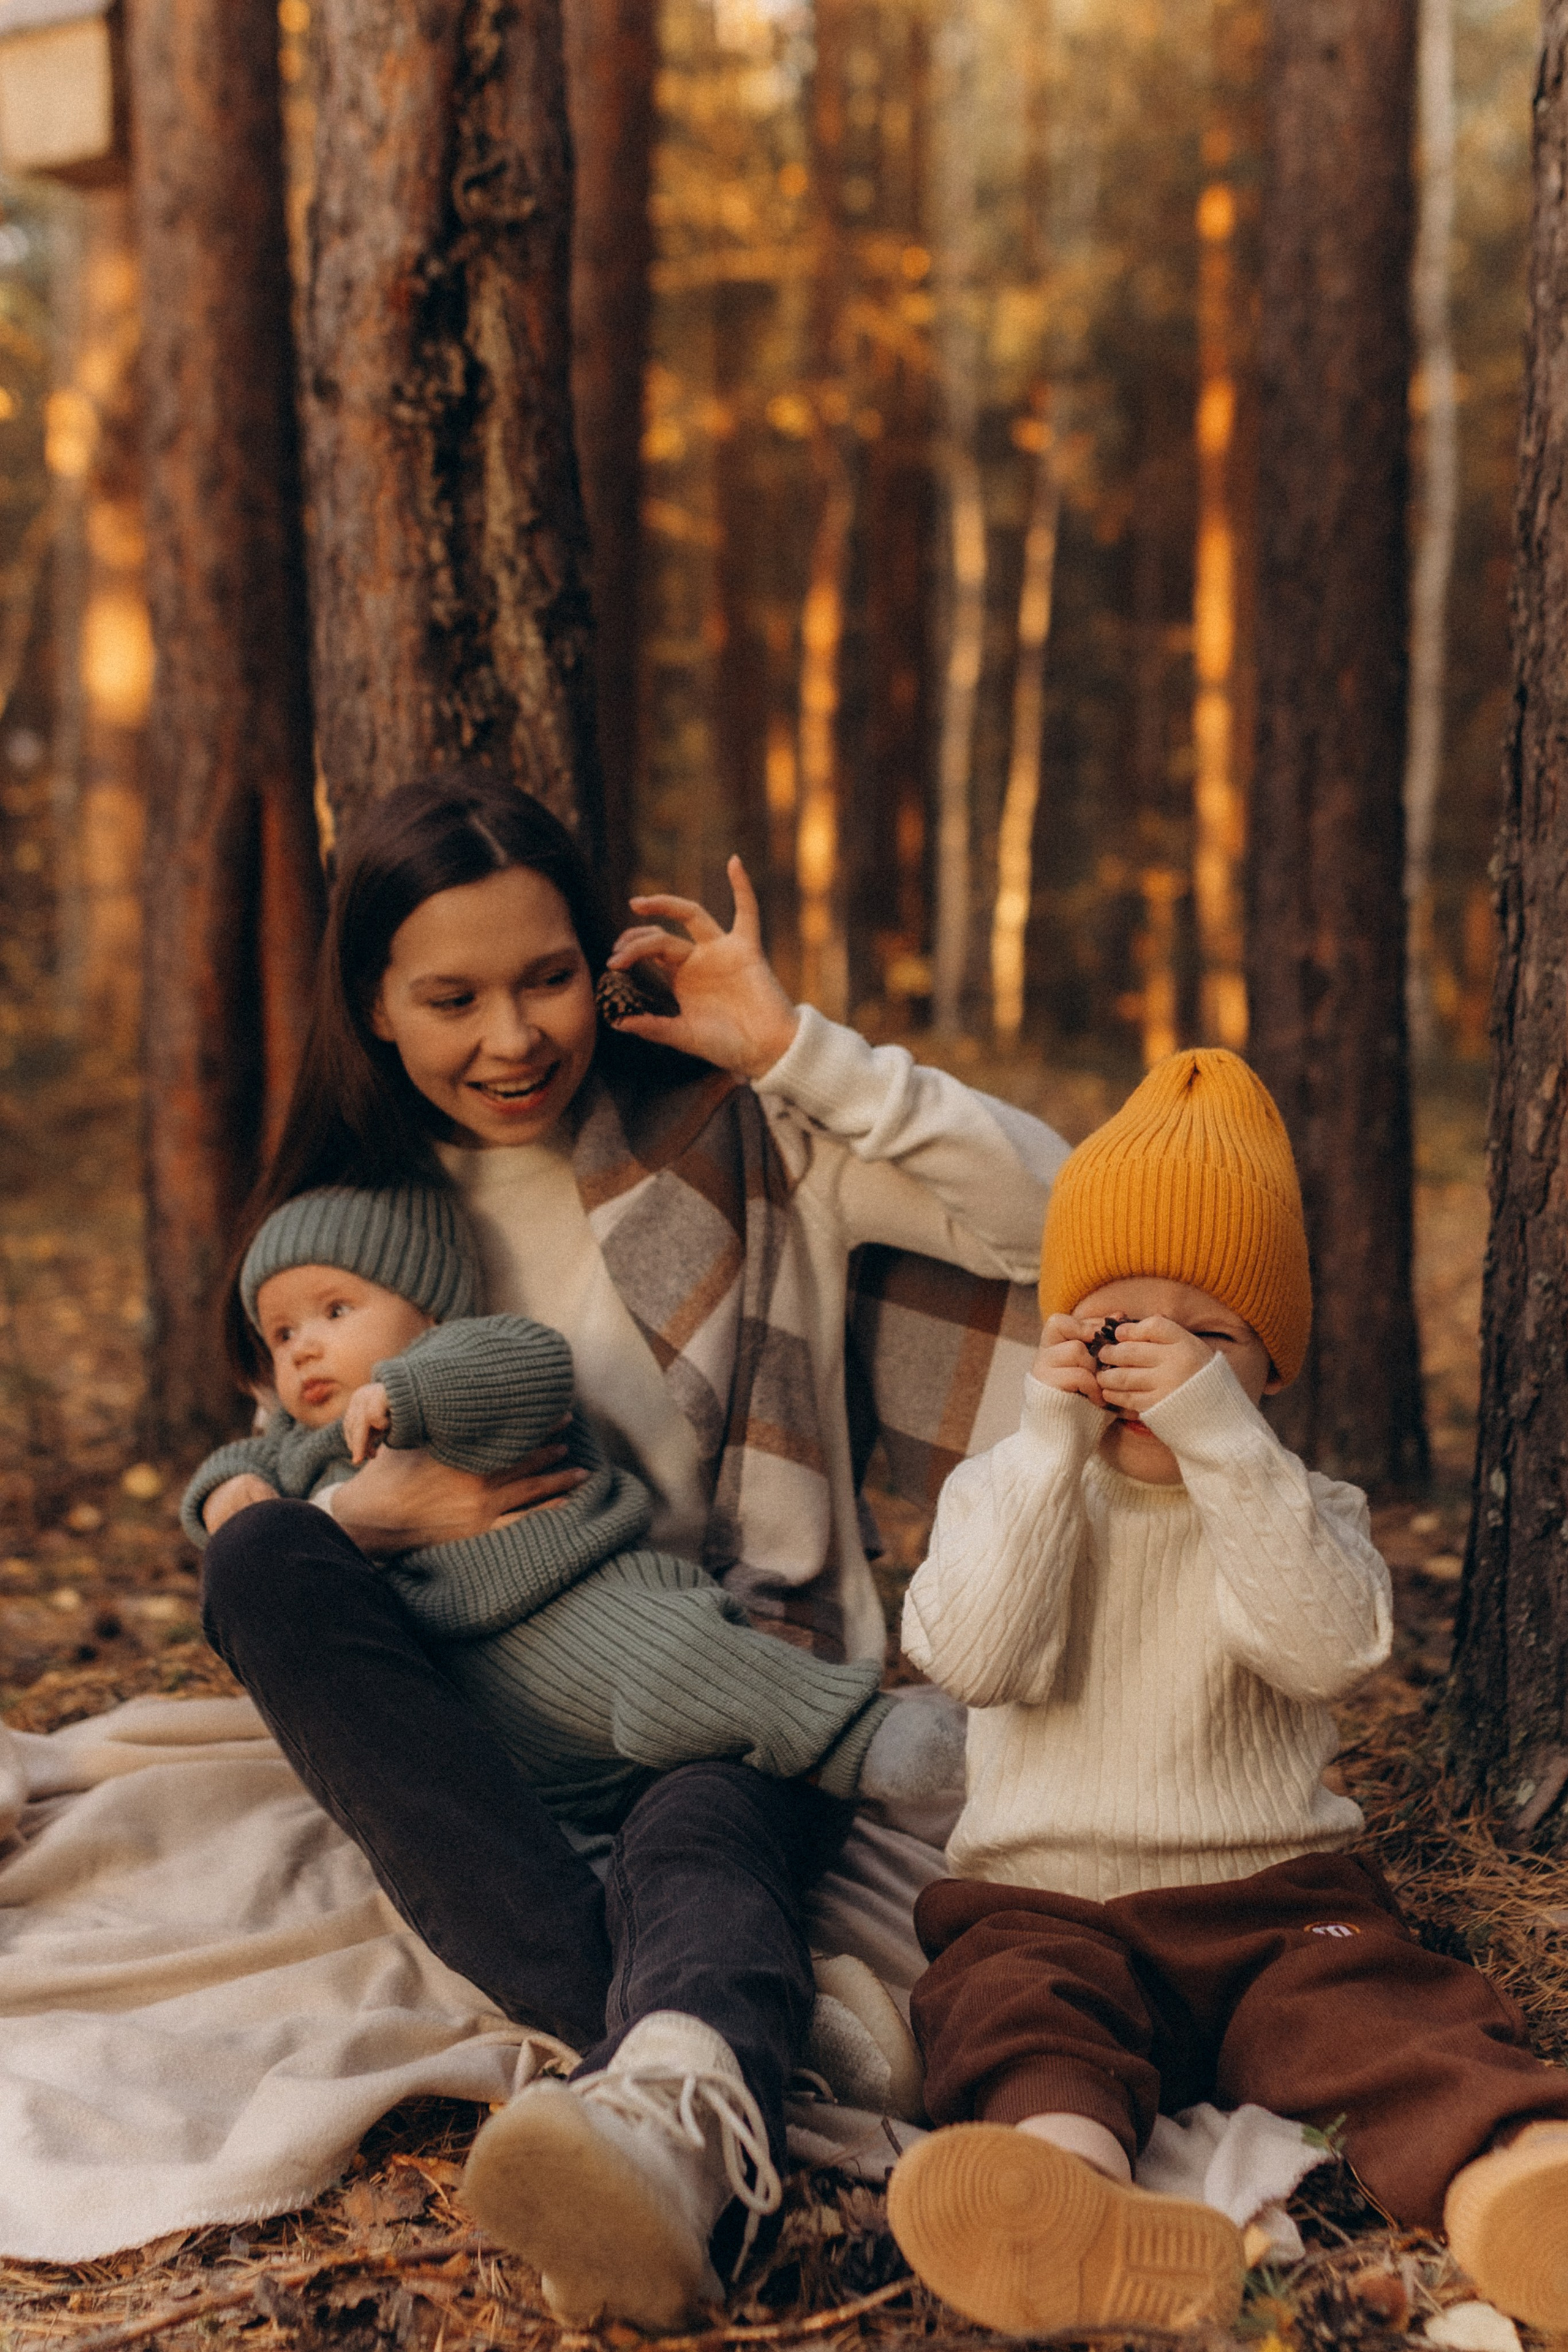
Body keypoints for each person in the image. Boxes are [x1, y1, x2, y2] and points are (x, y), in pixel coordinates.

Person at [198, 772, 1066, 2332]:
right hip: (457, 1719)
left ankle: (673, 2120)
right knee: (255, 1561)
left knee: (699, 1825)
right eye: (449, 997)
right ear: (375, 1010)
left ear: (594, 958)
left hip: (722, 1666)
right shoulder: (345, 1229)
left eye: (543, 977)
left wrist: (799, 1048)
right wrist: (356, 1519)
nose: (512, 1037)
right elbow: (265, 1491)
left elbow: (1064, 1221)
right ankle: (716, 2015)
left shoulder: (735, 1143)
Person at [884, 1049, 1568, 2339]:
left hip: (1271, 1906)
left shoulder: (1291, 1505)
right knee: (1012, 2013)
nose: (1158, 1369)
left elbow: (1326, 1650)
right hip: (1049, 1899)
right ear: (1059, 1338)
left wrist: (1217, 1446)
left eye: (1207, 1340)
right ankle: (1068, 2198)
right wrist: (1042, 1450)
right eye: (1113, 1329)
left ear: (1267, 1370)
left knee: (1381, 2018)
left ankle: (1519, 2185)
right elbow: (973, 1659)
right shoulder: (1004, 1490)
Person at [183, 1181, 961, 1825]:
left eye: (335, 1311)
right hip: (482, 1701)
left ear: (428, 1310)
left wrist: (411, 1390)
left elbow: (529, 1366)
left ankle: (861, 1737)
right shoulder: (293, 1443)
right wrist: (226, 1496)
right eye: (280, 1335)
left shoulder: (464, 1355)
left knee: (680, 1667)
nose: (304, 1347)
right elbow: (240, 1489)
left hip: (582, 1613)